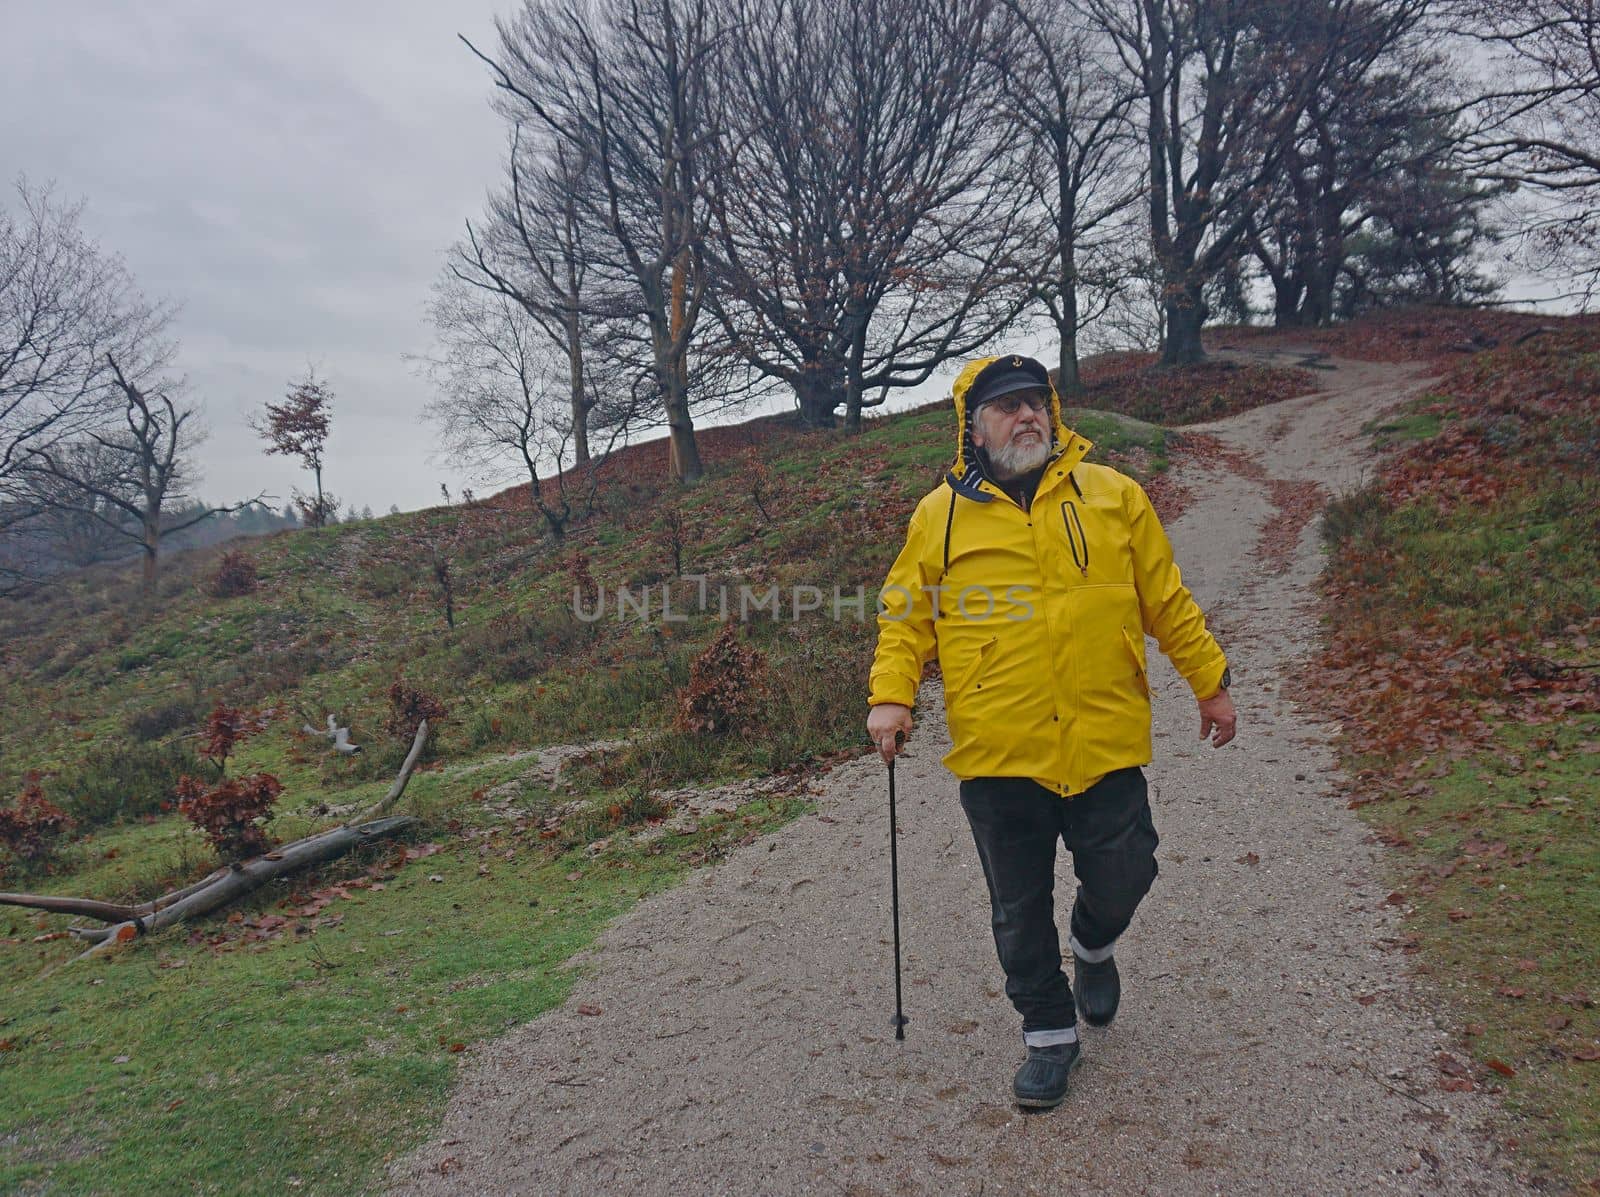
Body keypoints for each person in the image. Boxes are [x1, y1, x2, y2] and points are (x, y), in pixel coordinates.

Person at [865, 353, 1237, 1109]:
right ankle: (1047, 1033)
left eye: (1036, 401)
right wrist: (891, 696)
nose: (1026, 415)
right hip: (1000, 750)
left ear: (1055, 413)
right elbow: (907, 614)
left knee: (1128, 871)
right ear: (973, 427)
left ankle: (1094, 942)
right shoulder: (938, 516)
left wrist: (1210, 681)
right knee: (1017, 908)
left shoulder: (1114, 496)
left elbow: (1165, 597)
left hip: (1103, 736)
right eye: (1007, 406)